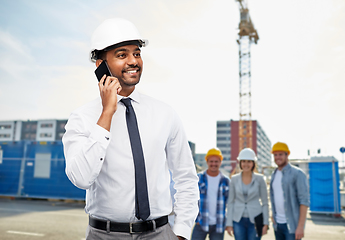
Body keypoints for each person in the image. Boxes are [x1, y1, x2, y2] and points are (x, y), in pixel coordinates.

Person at [62, 18, 199, 240]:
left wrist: (182, 231)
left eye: (136, 53)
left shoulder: (165, 113)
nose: (133, 61)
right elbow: (81, 178)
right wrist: (107, 112)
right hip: (104, 235)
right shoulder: (82, 118)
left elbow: (185, 177)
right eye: (122, 55)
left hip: (161, 233)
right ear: (101, 66)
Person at [225, 148, 269, 240]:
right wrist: (229, 223)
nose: (246, 164)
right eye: (243, 161)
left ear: (253, 163)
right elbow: (231, 202)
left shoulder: (260, 179)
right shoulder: (234, 179)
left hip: (256, 219)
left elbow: (265, 203)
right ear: (240, 163)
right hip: (238, 220)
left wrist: (266, 223)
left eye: (249, 161)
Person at [270, 142, 309, 240]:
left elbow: (304, 201)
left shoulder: (297, 174)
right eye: (275, 155)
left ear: (287, 155)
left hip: (292, 226)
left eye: (280, 154)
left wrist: (300, 227)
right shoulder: (274, 175)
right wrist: (272, 215)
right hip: (278, 225)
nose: (278, 157)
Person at [191, 148, 230, 240]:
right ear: (207, 161)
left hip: (218, 225)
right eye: (211, 161)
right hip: (200, 223)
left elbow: (230, 203)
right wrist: (196, 219)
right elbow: (191, 200)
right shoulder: (198, 179)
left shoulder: (226, 181)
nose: (213, 164)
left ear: (220, 162)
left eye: (216, 161)